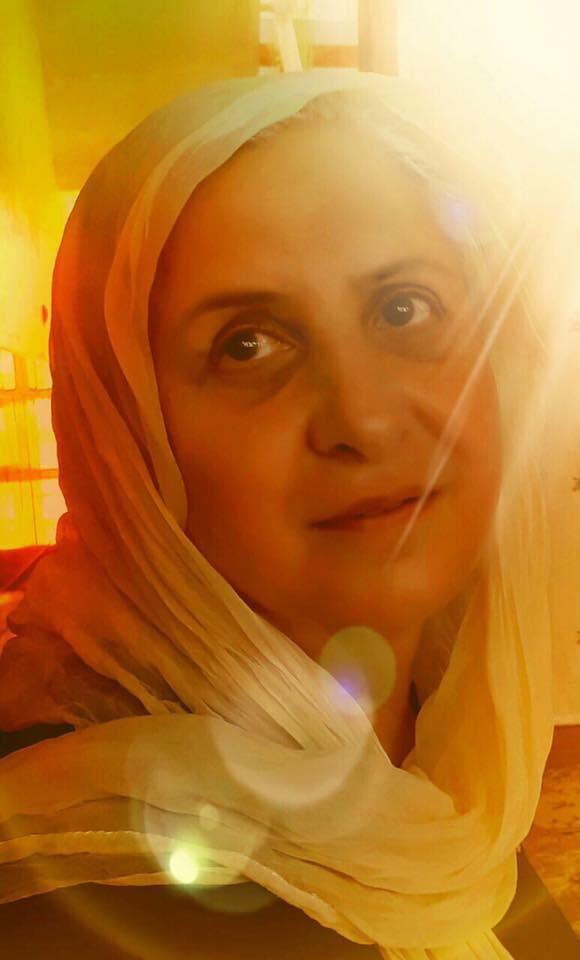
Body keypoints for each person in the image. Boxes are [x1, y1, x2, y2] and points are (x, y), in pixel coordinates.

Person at [0, 69, 560, 958]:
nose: (365, 418)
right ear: (129, 445)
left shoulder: (450, 765)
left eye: (404, 308)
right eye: (248, 344)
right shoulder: (62, 902)